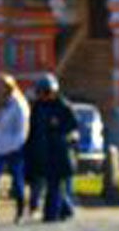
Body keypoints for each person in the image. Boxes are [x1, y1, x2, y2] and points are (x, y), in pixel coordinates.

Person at [26, 75, 79, 222]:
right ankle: (66, 209)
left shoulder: (63, 106)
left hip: (58, 152)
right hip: (41, 151)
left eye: (45, 92)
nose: (43, 95)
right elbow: (33, 129)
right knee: (51, 184)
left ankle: (51, 214)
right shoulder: (37, 107)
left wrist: (59, 128)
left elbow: (73, 126)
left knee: (54, 184)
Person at [0, 76, 29, 221]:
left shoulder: (18, 104)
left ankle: (20, 212)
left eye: (2, 86)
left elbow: (22, 129)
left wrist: (15, 145)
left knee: (17, 180)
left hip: (13, 148)